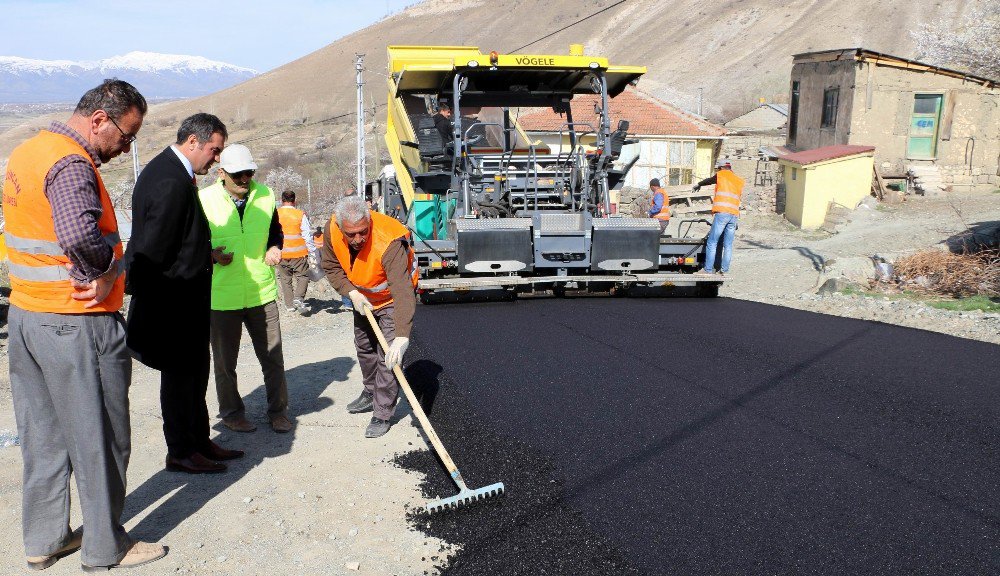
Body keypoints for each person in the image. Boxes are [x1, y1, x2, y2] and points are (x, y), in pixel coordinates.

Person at [3, 79, 167, 570]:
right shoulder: (72, 163)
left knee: (44, 435)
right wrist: (108, 270)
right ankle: (104, 546)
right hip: (76, 323)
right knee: (101, 437)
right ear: (99, 119)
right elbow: (78, 232)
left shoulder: (27, 151)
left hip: (28, 317)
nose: (126, 147)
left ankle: (45, 538)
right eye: (126, 135)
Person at [125, 113, 243, 475]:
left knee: (196, 372)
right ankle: (180, 450)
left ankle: (199, 440)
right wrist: (151, 303)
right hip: (172, 303)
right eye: (214, 149)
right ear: (193, 141)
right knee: (179, 379)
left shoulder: (176, 174)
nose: (217, 158)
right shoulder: (169, 180)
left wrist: (204, 256)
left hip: (187, 299)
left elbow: (178, 239)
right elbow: (154, 249)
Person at [198, 144, 293, 434]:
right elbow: (191, 242)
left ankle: (278, 412)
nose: (244, 179)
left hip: (261, 293)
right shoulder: (203, 200)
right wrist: (210, 254)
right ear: (221, 173)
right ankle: (231, 413)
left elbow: (274, 231)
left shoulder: (265, 195)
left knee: (273, 358)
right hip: (221, 295)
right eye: (238, 175)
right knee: (225, 364)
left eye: (249, 173)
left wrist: (275, 248)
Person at [320, 195, 418, 438]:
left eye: (363, 232)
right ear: (340, 226)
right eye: (351, 234)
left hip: (391, 300)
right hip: (361, 298)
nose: (358, 239)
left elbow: (402, 290)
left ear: (369, 221)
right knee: (364, 347)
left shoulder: (389, 240)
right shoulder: (331, 229)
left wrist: (402, 335)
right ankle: (370, 391)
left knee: (389, 356)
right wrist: (350, 292)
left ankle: (383, 411)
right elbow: (331, 268)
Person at [693, 158, 745, 275]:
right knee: (728, 245)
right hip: (734, 215)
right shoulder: (738, 180)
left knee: (712, 242)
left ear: (721, 168)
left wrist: (699, 184)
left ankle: (708, 270)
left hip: (722, 213)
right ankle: (724, 270)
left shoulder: (721, 175)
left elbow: (710, 180)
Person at [276, 190, 317, 314]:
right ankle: (298, 298)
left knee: (285, 279)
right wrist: (312, 251)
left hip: (281, 253)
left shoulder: (275, 214)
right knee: (303, 276)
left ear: (281, 200)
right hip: (298, 254)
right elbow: (306, 235)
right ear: (295, 200)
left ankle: (289, 305)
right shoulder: (300, 214)